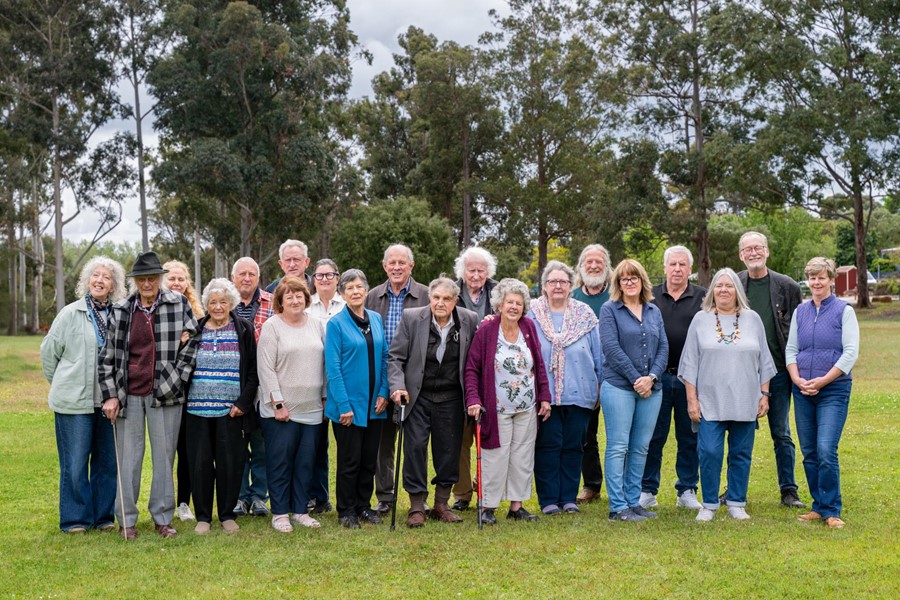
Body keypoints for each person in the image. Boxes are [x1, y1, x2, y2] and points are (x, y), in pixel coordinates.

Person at [98, 251, 199, 539]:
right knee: (128, 460)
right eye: (141, 279)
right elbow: (108, 356)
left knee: (164, 458)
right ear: (135, 282)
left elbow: (193, 342)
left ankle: (163, 518)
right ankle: (127, 521)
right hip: (128, 392)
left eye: (152, 278)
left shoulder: (178, 304)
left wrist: (176, 377)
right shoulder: (121, 310)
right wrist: (110, 395)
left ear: (160, 279)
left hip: (166, 393)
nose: (147, 284)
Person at [680, 268, 776, 522]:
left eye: (729, 285)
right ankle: (709, 504)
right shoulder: (700, 320)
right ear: (712, 290)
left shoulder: (752, 319)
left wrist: (764, 394)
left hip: (746, 399)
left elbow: (764, 360)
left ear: (738, 290)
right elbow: (689, 364)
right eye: (719, 285)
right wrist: (692, 400)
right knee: (710, 451)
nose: (724, 290)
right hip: (709, 400)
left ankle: (736, 502)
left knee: (741, 453)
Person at [41, 256, 127, 533]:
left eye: (106, 277)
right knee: (75, 463)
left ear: (114, 285)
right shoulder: (70, 313)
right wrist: (64, 384)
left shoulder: (119, 314)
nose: (100, 280)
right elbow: (49, 354)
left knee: (106, 462)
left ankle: (102, 517)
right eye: (95, 275)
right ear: (87, 281)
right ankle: (75, 519)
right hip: (73, 403)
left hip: (108, 401)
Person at [388, 277, 478, 527]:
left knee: (448, 450)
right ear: (429, 298)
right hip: (418, 394)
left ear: (455, 301)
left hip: (451, 395)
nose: (440, 303)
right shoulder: (411, 318)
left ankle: (441, 504)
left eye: (446, 299)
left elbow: (474, 360)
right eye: (436, 298)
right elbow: (395, 358)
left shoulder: (469, 319)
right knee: (415, 447)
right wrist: (397, 387)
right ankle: (417, 505)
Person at [465, 278, 552, 525]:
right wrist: (473, 398)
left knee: (522, 456)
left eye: (518, 303)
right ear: (499, 305)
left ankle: (517, 506)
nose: (513, 307)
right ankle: (488, 507)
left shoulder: (528, 327)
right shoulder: (487, 330)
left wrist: (544, 396)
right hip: (497, 408)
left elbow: (539, 364)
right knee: (495, 456)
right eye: (509, 302)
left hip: (527, 406)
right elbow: (472, 368)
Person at [786, 258, 859, 528]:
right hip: (802, 389)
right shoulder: (800, 312)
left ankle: (831, 510)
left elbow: (850, 353)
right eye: (812, 278)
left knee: (826, 448)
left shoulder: (844, 311)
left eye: (821, 277)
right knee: (810, 451)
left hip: (833, 390)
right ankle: (818, 505)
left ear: (831, 280)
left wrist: (823, 381)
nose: (816, 282)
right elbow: (792, 349)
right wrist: (797, 378)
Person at [184, 279, 258, 534]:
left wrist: (243, 403)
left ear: (231, 304)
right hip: (196, 410)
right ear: (205, 305)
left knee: (230, 464)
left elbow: (252, 372)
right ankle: (203, 517)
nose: (217, 307)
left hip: (231, 411)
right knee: (200, 464)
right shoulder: (195, 330)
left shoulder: (244, 330)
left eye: (223, 302)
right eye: (213, 302)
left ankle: (227, 514)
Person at [528, 261, 603, 515]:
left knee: (574, 445)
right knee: (548, 445)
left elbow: (598, 354)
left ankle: (569, 498)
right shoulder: (532, 313)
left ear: (571, 286)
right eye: (552, 282)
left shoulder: (585, 315)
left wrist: (599, 387)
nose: (558, 286)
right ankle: (549, 500)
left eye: (563, 282)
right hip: (545, 394)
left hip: (580, 391)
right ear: (544, 286)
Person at [737, 231, 805, 508]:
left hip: (777, 372)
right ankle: (734, 489)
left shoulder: (787, 287)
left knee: (781, 432)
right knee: (740, 432)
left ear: (767, 251)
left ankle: (788, 490)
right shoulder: (733, 284)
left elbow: (800, 331)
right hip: (741, 374)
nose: (753, 253)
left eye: (758, 248)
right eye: (748, 249)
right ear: (741, 255)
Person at [599, 259, 668, 522]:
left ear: (642, 281)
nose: (629, 282)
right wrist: (636, 379)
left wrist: (651, 377)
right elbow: (611, 348)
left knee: (640, 447)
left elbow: (663, 348)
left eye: (634, 278)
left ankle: (632, 501)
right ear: (617, 284)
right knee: (618, 446)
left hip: (652, 389)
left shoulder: (653, 311)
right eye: (624, 279)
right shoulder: (609, 310)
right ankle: (617, 507)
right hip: (619, 387)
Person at [257, 277, 327, 531]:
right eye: (289, 296)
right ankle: (279, 513)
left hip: (312, 408)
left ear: (306, 298)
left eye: (299, 295)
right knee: (280, 462)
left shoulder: (317, 325)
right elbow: (265, 368)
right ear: (280, 301)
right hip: (281, 409)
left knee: (306, 462)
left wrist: (325, 395)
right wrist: (277, 403)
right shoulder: (272, 326)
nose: (295, 300)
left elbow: (325, 363)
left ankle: (299, 510)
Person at [639, 246, 706, 511]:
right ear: (665, 267)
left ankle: (687, 489)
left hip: (692, 379)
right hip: (657, 378)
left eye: (682, 265)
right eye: (672, 264)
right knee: (653, 436)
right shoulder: (649, 297)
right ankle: (647, 489)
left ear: (690, 269)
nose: (677, 269)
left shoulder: (703, 297)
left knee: (690, 436)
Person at [365, 244, 430, 514]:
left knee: (416, 442)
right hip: (381, 379)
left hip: (414, 379)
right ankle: (385, 496)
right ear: (384, 266)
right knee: (383, 443)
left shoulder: (426, 294)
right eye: (391, 262)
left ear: (411, 265)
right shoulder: (372, 297)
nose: (396, 267)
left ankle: (418, 497)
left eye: (402, 262)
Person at [327, 270, 390, 529]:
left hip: (374, 405)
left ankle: (364, 505)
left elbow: (385, 357)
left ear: (366, 290)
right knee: (349, 461)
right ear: (341, 294)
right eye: (349, 288)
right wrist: (344, 405)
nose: (355, 291)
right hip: (348, 408)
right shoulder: (336, 324)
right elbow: (333, 367)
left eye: (359, 286)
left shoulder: (375, 318)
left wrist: (385, 391)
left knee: (368, 460)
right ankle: (346, 510)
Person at [451, 246, 499, 511]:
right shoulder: (453, 292)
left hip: (492, 372)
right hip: (458, 371)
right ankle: (462, 494)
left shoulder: (498, 292)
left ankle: (486, 490)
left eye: (481, 270)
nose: (476, 274)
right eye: (472, 269)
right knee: (460, 438)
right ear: (463, 271)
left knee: (489, 435)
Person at [230, 256, 275, 517]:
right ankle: (240, 496)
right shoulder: (225, 304)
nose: (247, 278)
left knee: (260, 445)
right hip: (233, 385)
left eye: (252, 274)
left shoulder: (271, 302)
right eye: (242, 274)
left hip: (263, 385)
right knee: (237, 446)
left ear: (258, 278)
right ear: (233, 277)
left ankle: (259, 496)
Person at [572, 244, 613, 505]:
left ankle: (627, 486)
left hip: (616, 374)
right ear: (581, 266)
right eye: (589, 262)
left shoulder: (616, 295)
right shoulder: (572, 296)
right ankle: (592, 484)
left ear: (607, 266)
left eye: (599, 262)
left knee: (621, 434)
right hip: (584, 376)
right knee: (586, 433)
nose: (594, 266)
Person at [163, 259, 204, 523]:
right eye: (171, 278)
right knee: (165, 449)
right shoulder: (155, 311)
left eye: (181, 279)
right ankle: (163, 502)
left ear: (187, 283)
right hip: (165, 391)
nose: (176, 283)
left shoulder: (198, 314)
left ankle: (183, 503)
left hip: (192, 391)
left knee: (187, 450)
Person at [305, 258, 345, 515]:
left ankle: (347, 498)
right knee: (315, 445)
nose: (324, 280)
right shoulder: (306, 307)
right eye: (319, 276)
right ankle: (317, 497)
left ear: (337, 278)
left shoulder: (348, 306)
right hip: (314, 386)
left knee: (346, 446)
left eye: (329, 275)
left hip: (342, 387)